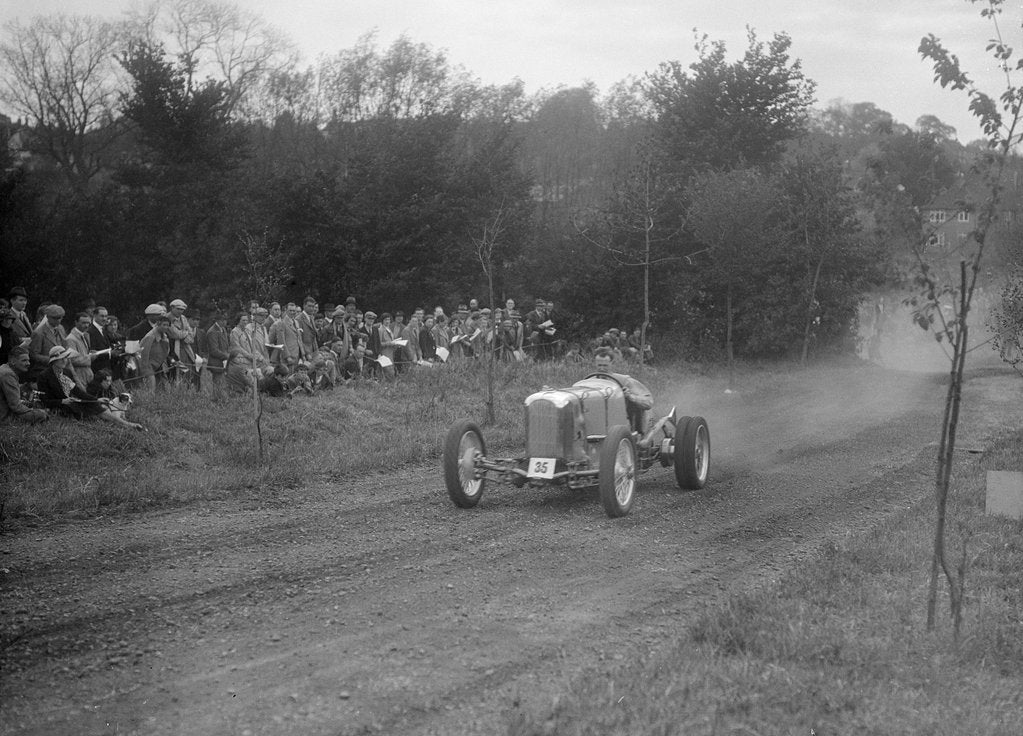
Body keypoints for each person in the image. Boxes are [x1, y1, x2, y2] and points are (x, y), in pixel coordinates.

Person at [37, 346, 142, 430]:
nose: (65, 361)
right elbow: (44, 400)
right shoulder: (44, 376)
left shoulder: (66, 373)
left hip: (71, 402)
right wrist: (61, 401)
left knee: (94, 405)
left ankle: (126, 424)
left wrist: (96, 399)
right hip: (59, 407)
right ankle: (117, 422)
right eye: (61, 359)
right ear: (54, 361)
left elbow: (78, 392)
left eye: (65, 358)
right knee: (86, 412)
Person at [591, 347, 653, 433]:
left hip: (621, 422)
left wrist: (630, 396)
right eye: (599, 365)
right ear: (595, 364)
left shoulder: (624, 381)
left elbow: (648, 402)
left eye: (605, 366)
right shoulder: (589, 382)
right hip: (595, 420)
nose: (601, 369)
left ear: (612, 363)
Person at [0, 346, 48, 423]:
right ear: (13, 361)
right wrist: (33, 410)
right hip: (4, 416)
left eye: (28, 360)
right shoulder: (8, 375)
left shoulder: (4, 368)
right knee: (42, 414)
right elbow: (15, 406)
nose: (28, 363)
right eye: (24, 360)